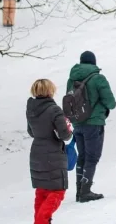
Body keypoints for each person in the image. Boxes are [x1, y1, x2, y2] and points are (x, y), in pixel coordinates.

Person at [67, 51, 116, 203]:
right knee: (92, 157)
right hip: (94, 123)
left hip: (77, 123)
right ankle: (86, 191)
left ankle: (79, 191)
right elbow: (111, 103)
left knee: (82, 156)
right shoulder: (98, 78)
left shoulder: (71, 79)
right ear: (94, 62)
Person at [26, 79, 73, 224]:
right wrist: (69, 130)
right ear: (50, 91)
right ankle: (41, 221)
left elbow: (31, 132)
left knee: (42, 192)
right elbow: (64, 135)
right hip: (53, 154)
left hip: (36, 153)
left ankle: (40, 221)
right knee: (58, 191)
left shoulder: (31, 109)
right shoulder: (54, 110)